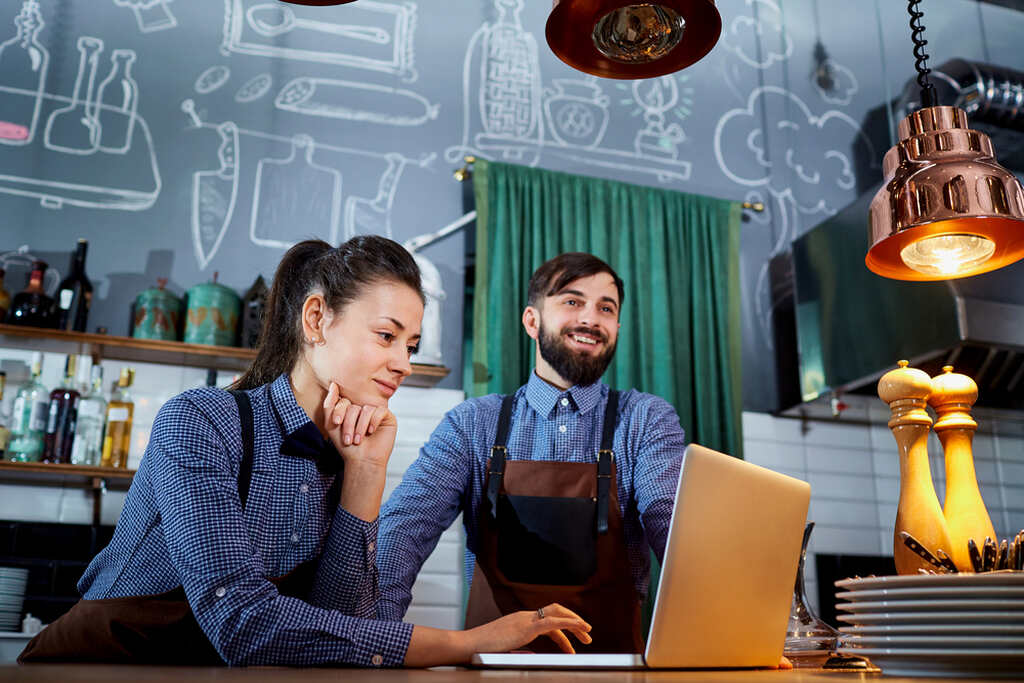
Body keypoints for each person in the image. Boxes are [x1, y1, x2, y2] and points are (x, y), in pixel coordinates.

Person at [19, 237, 590, 667]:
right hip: (92, 672)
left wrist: (365, 474)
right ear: (317, 319)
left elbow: (345, 629)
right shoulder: (200, 421)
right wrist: (466, 644)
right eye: (386, 336)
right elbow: (242, 622)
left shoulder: (347, 454)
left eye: (411, 346)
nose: (404, 364)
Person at [377, 252, 688, 653]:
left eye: (605, 308)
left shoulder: (646, 420)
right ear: (532, 320)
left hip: (615, 673)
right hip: (493, 674)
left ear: (617, 326)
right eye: (572, 301)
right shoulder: (471, 423)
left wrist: (734, 633)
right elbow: (402, 534)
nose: (591, 319)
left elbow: (674, 528)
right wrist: (370, 644)